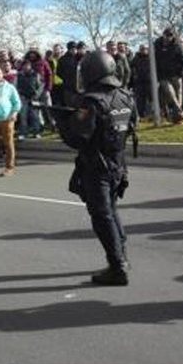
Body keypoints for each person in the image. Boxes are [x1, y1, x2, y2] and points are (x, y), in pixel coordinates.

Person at [57, 51, 137, 286]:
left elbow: (79, 138)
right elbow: (131, 125)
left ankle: (117, 266)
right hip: (118, 162)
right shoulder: (125, 95)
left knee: (101, 215)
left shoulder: (91, 101)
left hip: (97, 164)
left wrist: (62, 123)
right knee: (111, 210)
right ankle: (121, 256)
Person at [153, 28, 183, 123]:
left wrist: (180, 73)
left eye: (170, 35)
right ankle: (179, 111)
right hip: (163, 75)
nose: (168, 37)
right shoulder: (157, 45)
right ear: (163, 35)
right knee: (169, 93)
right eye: (166, 35)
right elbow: (155, 60)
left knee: (178, 94)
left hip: (176, 74)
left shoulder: (177, 46)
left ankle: (177, 117)